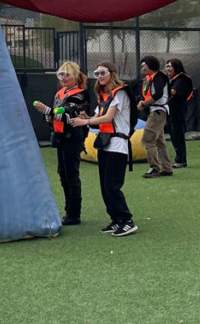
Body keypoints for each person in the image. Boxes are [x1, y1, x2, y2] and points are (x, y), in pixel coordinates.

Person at [69, 62, 138, 237]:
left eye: (102, 72)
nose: (99, 76)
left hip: (117, 145)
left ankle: (126, 220)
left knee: (112, 186)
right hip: (106, 144)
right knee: (105, 186)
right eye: (97, 73)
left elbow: (108, 117)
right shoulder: (104, 96)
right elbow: (98, 118)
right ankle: (116, 220)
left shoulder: (120, 93)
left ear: (112, 74)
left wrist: (85, 122)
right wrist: (87, 117)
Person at [33, 61, 90, 226]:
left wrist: (49, 111)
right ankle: (68, 211)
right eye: (61, 74)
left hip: (73, 136)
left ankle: (74, 214)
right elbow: (57, 113)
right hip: (60, 137)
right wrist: (49, 117)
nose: (63, 78)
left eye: (67, 74)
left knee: (71, 175)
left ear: (75, 76)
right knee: (63, 174)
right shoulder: (59, 93)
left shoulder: (81, 93)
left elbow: (69, 114)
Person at [137, 55, 172, 178]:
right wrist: (142, 103)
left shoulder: (159, 76)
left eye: (144, 65)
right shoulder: (148, 78)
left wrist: (143, 104)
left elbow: (158, 94)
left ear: (151, 64)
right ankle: (166, 168)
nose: (142, 68)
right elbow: (146, 95)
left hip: (158, 111)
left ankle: (155, 168)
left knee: (148, 139)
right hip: (155, 110)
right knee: (159, 141)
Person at [166, 58, 193, 168]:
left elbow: (173, 92)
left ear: (176, 67)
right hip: (172, 110)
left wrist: (160, 91)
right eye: (166, 66)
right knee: (173, 134)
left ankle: (181, 160)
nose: (167, 69)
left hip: (178, 110)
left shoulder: (181, 79)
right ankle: (179, 158)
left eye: (169, 66)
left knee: (178, 134)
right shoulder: (174, 80)